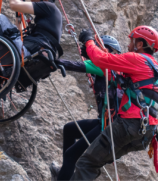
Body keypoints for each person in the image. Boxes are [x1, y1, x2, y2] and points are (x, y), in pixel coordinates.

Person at [70, 26, 158, 180]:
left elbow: (101, 59)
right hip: (146, 132)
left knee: (87, 163)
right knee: (94, 162)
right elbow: (114, 72)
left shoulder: (137, 59)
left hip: (128, 125)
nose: (128, 46)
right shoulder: (154, 67)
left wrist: (89, 40)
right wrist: (90, 54)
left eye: (131, 41)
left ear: (140, 44)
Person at [49, 35, 122, 181]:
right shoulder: (114, 69)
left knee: (71, 154)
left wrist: (51, 62)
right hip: (107, 121)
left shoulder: (106, 65)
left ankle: (63, 178)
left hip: (108, 125)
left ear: (109, 50)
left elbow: (76, 65)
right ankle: (65, 173)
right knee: (69, 129)